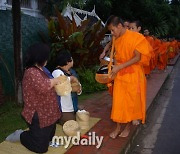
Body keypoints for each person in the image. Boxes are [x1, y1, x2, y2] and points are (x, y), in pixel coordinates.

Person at [106, 15, 150, 138]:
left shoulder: (136, 37)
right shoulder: (117, 39)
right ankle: (118, 127)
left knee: (130, 103)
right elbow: (116, 56)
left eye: (112, 30)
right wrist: (114, 69)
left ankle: (127, 128)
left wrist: (119, 67)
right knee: (118, 102)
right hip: (120, 74)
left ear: (119, 26)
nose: (112, 33)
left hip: (133, 74)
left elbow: (138, 57)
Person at [20, 43, 61, 153]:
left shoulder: (42, 69)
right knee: (41, 148)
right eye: (46, 56)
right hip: (38, 115)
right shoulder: (31, 72)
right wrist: (55, 81)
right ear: (40, 57)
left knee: (50, 135)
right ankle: (23, 135)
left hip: (49, 112)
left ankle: (43, 137)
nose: (47, 59)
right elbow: (43, 86)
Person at [52, 50, 81, 125]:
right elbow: (61, 82)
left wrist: (78, 89)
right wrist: (71, 78)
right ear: (67, 62)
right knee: (72, 128)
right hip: (63, 108)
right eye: (71, 59)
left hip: (72, 106)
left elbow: (78, 86)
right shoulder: (57, 72)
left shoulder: (71, 71)